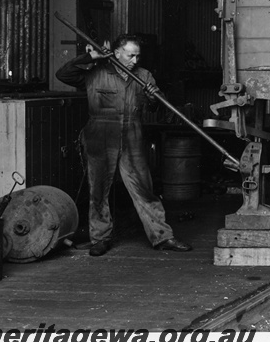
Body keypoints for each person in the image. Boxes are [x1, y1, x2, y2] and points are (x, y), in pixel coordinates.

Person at [56, 34, 192, 256]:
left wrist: (153, 97)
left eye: (138, 56)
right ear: (117, 53)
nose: (135, 60)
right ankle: (100, 238)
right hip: (101, 134)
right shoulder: (95, 72)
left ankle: (162, 236)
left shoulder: (143, 75)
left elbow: (156, 107)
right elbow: (63, 74)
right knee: (98, 190)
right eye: (130, 55)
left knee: (144, 188)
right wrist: (91, 57)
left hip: (132, 134)